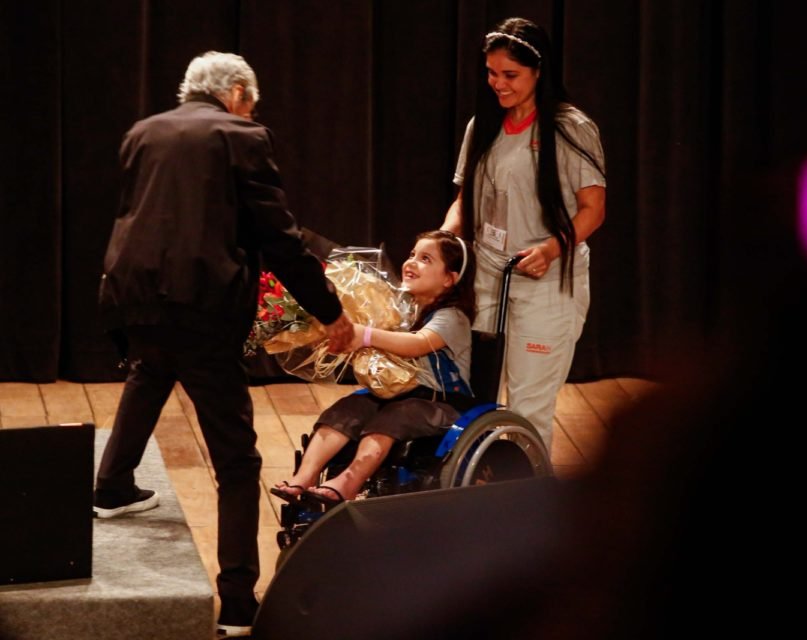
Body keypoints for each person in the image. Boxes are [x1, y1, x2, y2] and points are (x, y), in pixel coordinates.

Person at [94, 51, 353, 637]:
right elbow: (279, 238)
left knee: (150, 369)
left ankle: (111, 487)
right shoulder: (242, 136)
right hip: (202, 306)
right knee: (237, 459)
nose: (251, 113)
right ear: (237, 93)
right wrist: (329, 310)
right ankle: (237, 604)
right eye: (251, 105)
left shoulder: (142, 132)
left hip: (132, 294)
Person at [441, 17, 606, 452]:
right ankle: (477, 485)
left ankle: (526, 489)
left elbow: (593, 210)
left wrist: (551, 249)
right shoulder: (483, 125)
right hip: (487, 277)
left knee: (527, 408)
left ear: (538, 72)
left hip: (546, 284)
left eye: (510, 75)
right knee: (474, 399)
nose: (498, 84)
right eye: (491, 73)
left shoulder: (570, 128)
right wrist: (440, 242)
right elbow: (465, 200)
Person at [271, 229, 476, 505]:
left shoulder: (453, 317)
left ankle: (348, 483)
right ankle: (303, 478)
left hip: (443, 402)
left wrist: (365, 335)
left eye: (426, 259)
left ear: (449, 278)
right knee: (345, 410)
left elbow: (417, 344)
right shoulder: (402, 308)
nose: (412, 262)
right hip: (401, 396)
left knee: (393, 418)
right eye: (412, 254)